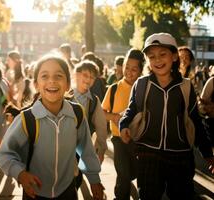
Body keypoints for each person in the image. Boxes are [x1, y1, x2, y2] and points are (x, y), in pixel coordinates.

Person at [119, 32, 214, 200]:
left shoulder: (186, 87)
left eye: (163, 54)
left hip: (180, 156)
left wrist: (207, 153)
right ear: (147, 60)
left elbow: (195, 122)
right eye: (151, 56)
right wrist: (124, 124)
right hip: (148, 153)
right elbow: (131, 109)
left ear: (175, 56)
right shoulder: (142, 84)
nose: (157, 60)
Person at [0, 55, 104, 200]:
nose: (52, 80)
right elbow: (6, 153)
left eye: (58, 76)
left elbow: (86, 149)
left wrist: (94, 178)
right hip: (34, 192)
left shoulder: (77, 113)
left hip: (67, 191)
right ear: (36, 84)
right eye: (44, 76)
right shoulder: (26, 119)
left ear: (68, 84)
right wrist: (20, 173)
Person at [102, 48, 144, 200]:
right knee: (123, 174)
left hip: (137, 140)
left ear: (141, 70)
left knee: (134, 172)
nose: (129, 72)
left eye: (134, 69)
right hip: (118, 138)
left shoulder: (144, 89)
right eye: (127, 67)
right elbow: (101, 113)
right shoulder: (114, 88)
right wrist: (113, 116)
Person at [72, 60, 108, 189]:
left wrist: (101, 148)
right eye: (85, 75)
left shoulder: (93, 100)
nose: (88, 79)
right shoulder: (65, 95)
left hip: (80, 147)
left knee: (76, 180)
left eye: (92, 77)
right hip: (61, 145)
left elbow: (101, 126)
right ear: (76, 74)